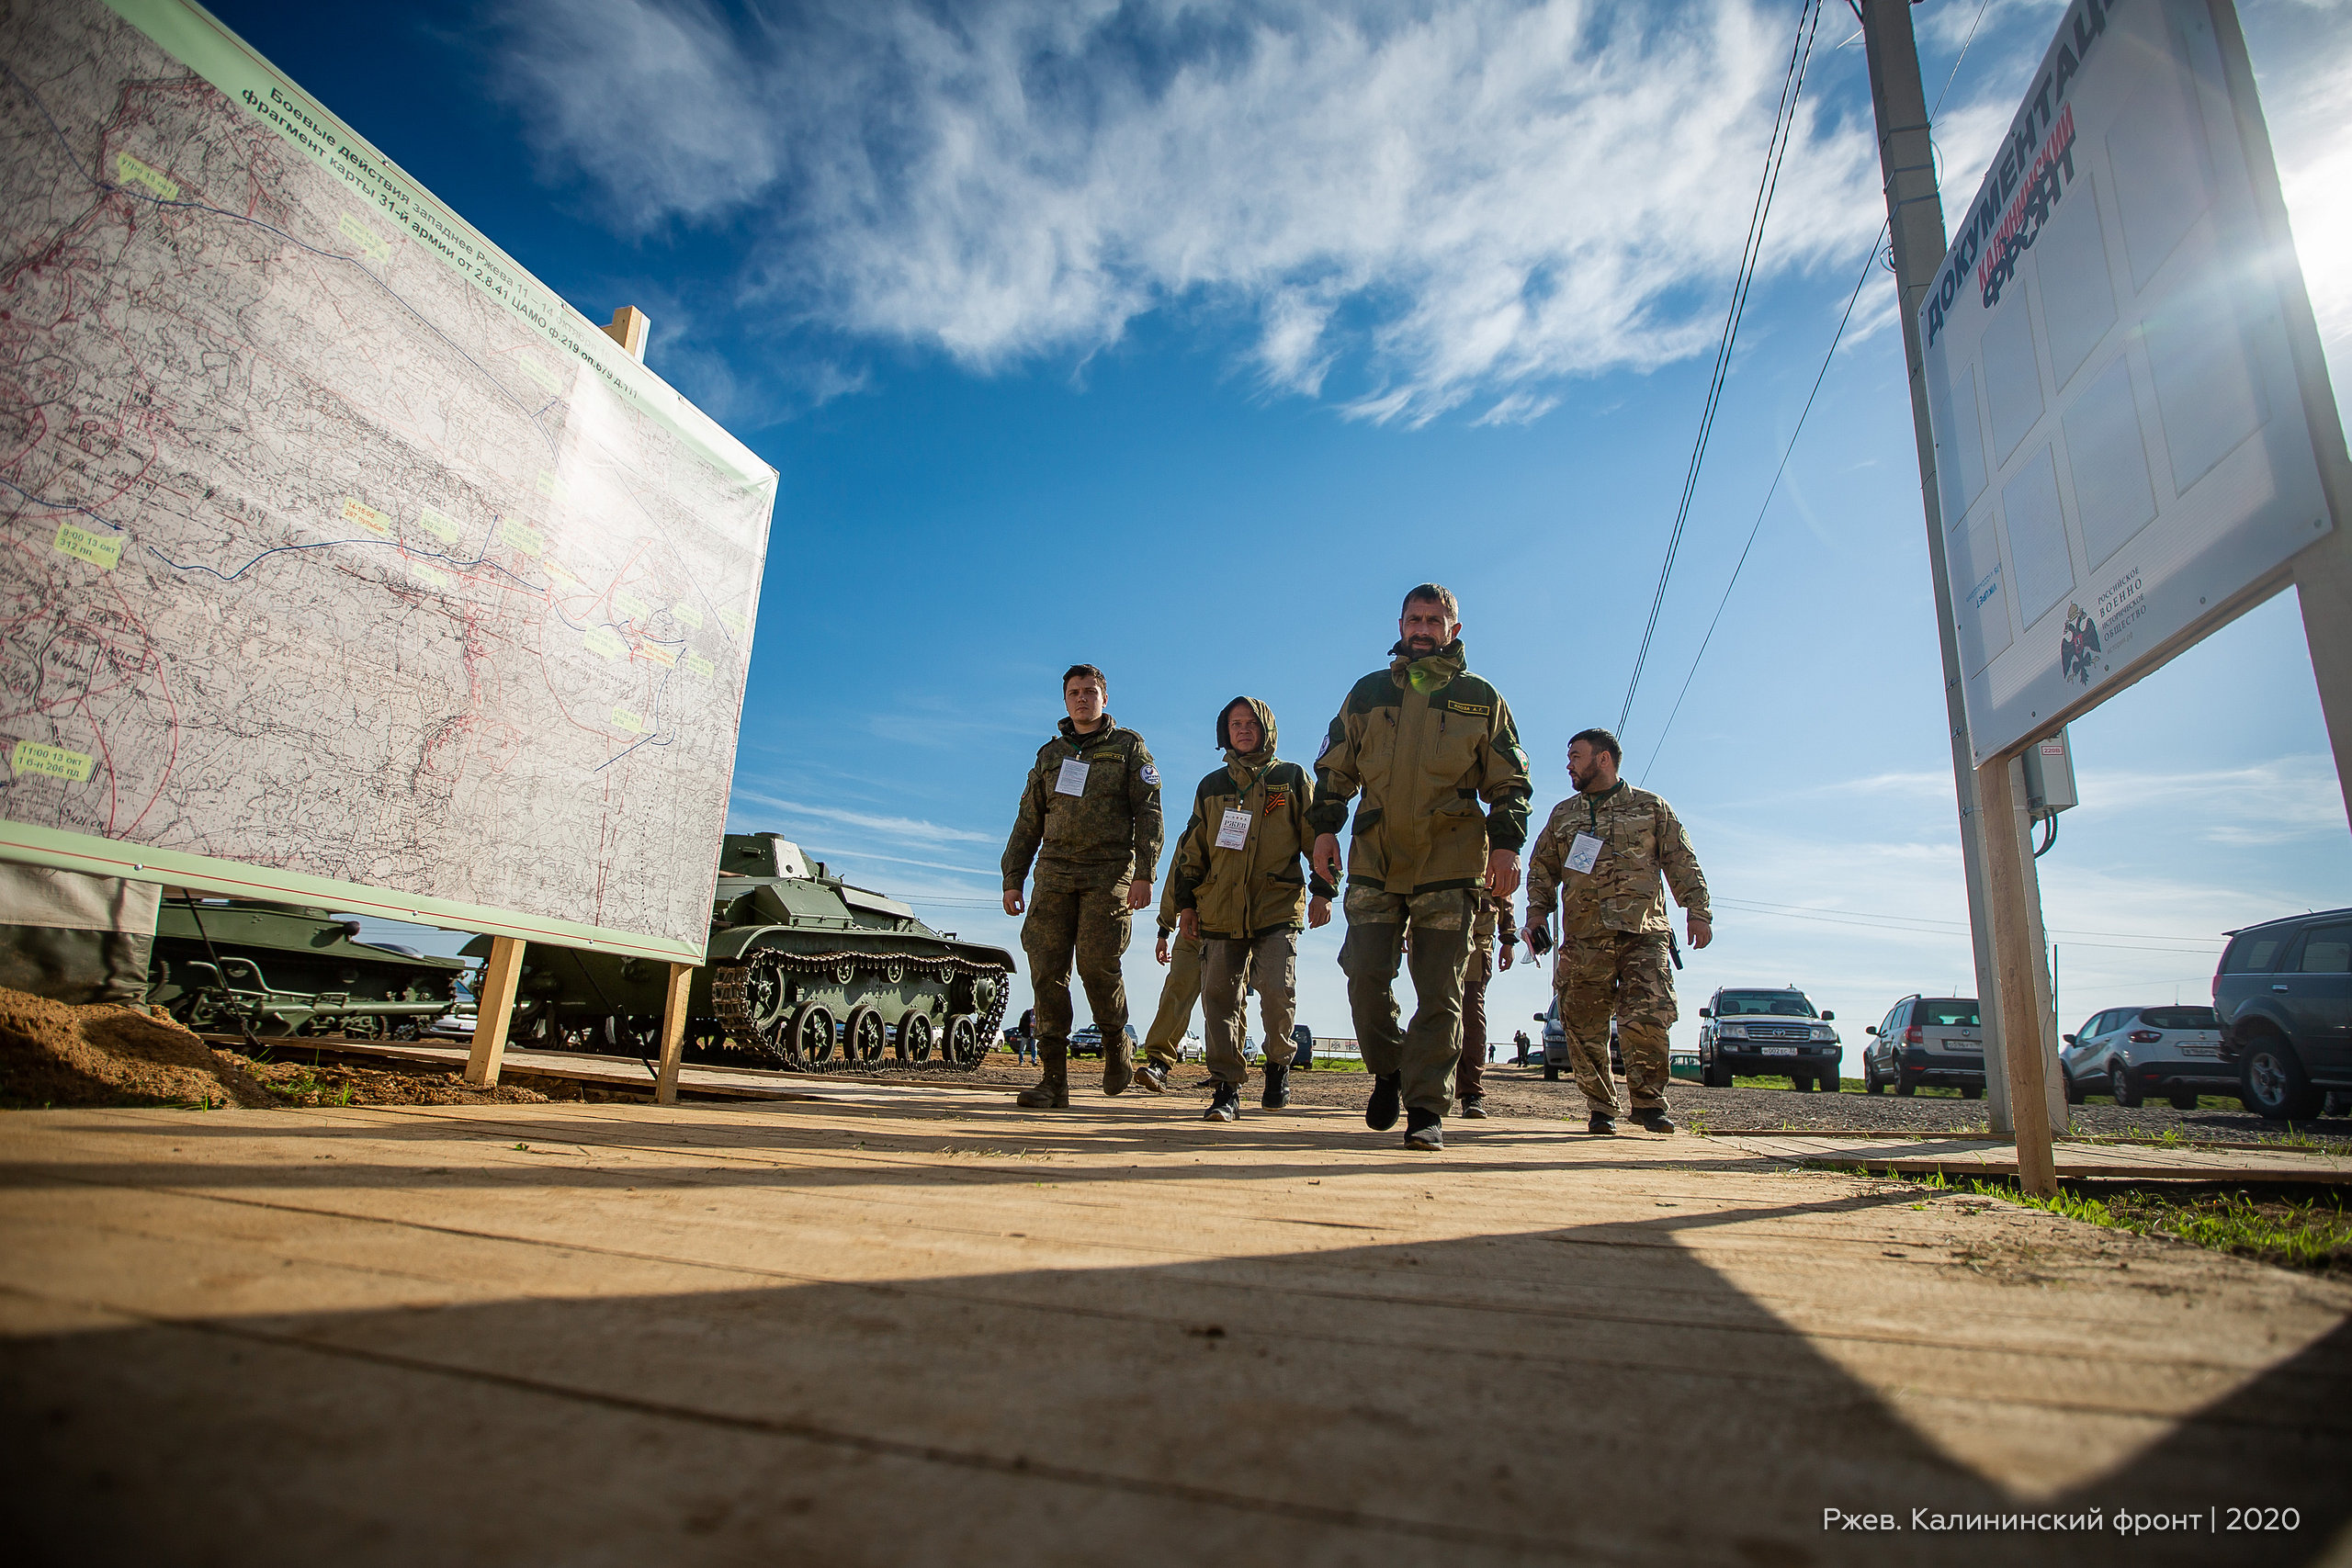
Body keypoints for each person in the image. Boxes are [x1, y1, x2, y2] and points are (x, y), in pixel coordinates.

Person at [1308, 584, 1531, 1151]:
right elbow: (1335, 773)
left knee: (1440, 991)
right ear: (1401, 624)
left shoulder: (1480, 698)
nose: (1424, 628)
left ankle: (1427, 1106)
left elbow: (1508, 783)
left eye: (1435, 620)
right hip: (1376, 856)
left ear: (1453, 630)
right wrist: (1323, 830)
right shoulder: (1367, 693)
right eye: (1415, 618)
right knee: (1364, 977)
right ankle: (1389, 1071)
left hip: (1449, 857)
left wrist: (1506, 846)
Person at [1523, 728, 1712, 1135]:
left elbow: (1681, 860)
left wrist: (1697, 910)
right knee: (1582, 1022)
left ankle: (1649, 1104)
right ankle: (1601, 1107)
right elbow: (1541, 868)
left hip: (1644, 934)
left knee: (1647, 1016)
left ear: (1603, 759)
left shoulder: (1650, 808)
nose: (1569, 764)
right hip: (1584, 937)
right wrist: (1537, 914)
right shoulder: (1563, 815)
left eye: (1576, 755)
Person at [1001, 664, 1162, 1110]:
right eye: (1073, 692)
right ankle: (1054, 1081)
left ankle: (1116, 1044)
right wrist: (1012, 877)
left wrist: (1145, 872)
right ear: (1065, 700)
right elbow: (1028, 820)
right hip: (1053, 873)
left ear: (1104, 698)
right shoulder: (1050, 755)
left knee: (1096, 964)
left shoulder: (1129, 748)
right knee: (1047, 971)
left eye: (1090, 692)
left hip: (1108, 872)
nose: (1081, 699)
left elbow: (1149, 813)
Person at [1170, 697, 1333, 1122]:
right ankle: (1226, 1087)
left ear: (1267, 729)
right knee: (1219, 999)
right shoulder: (1211, 786)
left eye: (1251, 723)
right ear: (1225, 731)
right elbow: (1194, 850)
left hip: (1276, 906)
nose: (1243, 730)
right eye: (1235, 723)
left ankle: (1278, 1063)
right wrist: (1185, 905)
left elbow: (1315, 839)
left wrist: (1323, 892)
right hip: (1219, 908)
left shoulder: (1291, 778)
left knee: (1277, 992)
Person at [1134, 878, 1214, 1094]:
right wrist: (1164, 931)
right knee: (1176, 991)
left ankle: (1226, 1074)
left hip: (1234, 929)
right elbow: (1175, 881)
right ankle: (1159, 1063)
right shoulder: (1189, 842)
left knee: (1228, 1000)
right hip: (1192, 928)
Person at [1454, 891, 1517, 1118]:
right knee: (1437, 1009)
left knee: (1471, 1013)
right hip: (1437, 931)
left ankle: (1471, 1092)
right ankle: (1430, 1088)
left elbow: (1504, 894)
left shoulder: (1491, 853)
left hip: (1478, 938)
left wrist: (1508, 939)